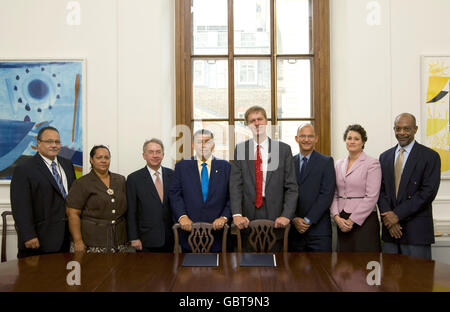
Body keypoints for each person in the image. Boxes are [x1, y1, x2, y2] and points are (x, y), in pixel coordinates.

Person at [230, 106, 298, 251]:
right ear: (248, 125)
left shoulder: (283, 150)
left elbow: (292, 187)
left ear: (266, 121)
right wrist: (237, 214)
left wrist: (287, 215)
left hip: (277, 215)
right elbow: (235, 185)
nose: (256, 123)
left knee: (276, 264)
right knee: (249, 264)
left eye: (260, 119)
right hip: (248, 216)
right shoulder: (241, 149)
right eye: (252, 121)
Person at [378, 113, 441, 259]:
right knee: (389, 280)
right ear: (394, 129)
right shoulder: (385, 157)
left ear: (415, 129)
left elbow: (427, 193)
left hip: (416, 232)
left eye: (406, 129)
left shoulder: (430, 157)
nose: (401, 133)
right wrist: (390, 220)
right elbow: (380, 191)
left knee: (418, 280)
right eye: (398, 129)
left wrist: (397, 215)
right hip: (390, 232)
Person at [10, 126, 76, 258]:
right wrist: (28, 235)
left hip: (64, 237)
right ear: (38, 143)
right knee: (36, 278)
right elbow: (20, 206)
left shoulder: (67, 165)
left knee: (60, 278)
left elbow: (71, 199)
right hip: (38, 240)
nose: (54, 145)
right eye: (49, 141)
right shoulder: (24, 169)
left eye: (57, 142)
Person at [169, 129, 231, 252]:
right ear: (193, 145)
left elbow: (232, 196)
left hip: (218, 234)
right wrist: (182, 216)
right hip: (189, 233)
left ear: (213, 145)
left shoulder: (226, 167)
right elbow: (175, 195)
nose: (203, 145)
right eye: (199, 142)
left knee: (219, 270)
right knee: (189, 269)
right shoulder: (181, 167)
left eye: (207, 142)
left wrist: (224, 217)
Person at [66, 145, 128, 253]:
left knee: (120, 269)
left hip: (119, 241)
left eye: (106, 157)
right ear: (91, 160)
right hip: (92, 242)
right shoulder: (82, 183)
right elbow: (72, 213)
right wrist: (78, 241)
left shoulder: (120, 180)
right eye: (99, 157)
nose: (103, 160)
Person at [330, 124, 381, 252]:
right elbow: (333, 192)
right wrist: (336, 217)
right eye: (349, 138)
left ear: (363, 141)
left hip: (364, 220)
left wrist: (352, 221)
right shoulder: (338, 164)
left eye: (356, 139)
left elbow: (372, 196)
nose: (352, 141)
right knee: (344, 266)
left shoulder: (372, 163)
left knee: (365, 264)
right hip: (341, 219)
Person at [289, 124, 336, 252]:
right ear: (296, 138)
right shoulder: (289, 163)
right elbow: (284, 193)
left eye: (310, 136)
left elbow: (326, 195)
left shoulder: (326, 162)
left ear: (316, 139)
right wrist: (294, 218)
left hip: (319, 231)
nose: (306, 139)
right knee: (294, 271)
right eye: (303, 136)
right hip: (294, 231)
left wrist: (308, 220)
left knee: (321, 271)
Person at [127, 139, 175, 252]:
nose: (155, 155)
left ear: (163, 154)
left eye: (158, 152)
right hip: (146, 240)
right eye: (151, 152)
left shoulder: (173, 175)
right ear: (144, 155)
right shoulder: (134, 179)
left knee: (169, 269)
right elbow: (131, 211)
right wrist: (134, 238)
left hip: (170, 238)